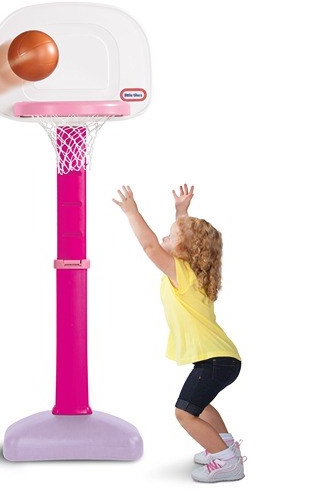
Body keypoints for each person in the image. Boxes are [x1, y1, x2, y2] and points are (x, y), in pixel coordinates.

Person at [113, 184, 245, 483]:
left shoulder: (181, 273)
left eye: (171, 236)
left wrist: (132, 212)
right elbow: (182, 240)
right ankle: (224, 448)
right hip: (223, 360)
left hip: (216, 361)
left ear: (185, 251)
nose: (165, 237)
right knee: (200, 405)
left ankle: (227, 462)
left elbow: (150, 247)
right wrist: (181, 212)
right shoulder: (192, 274)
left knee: (184, 413)